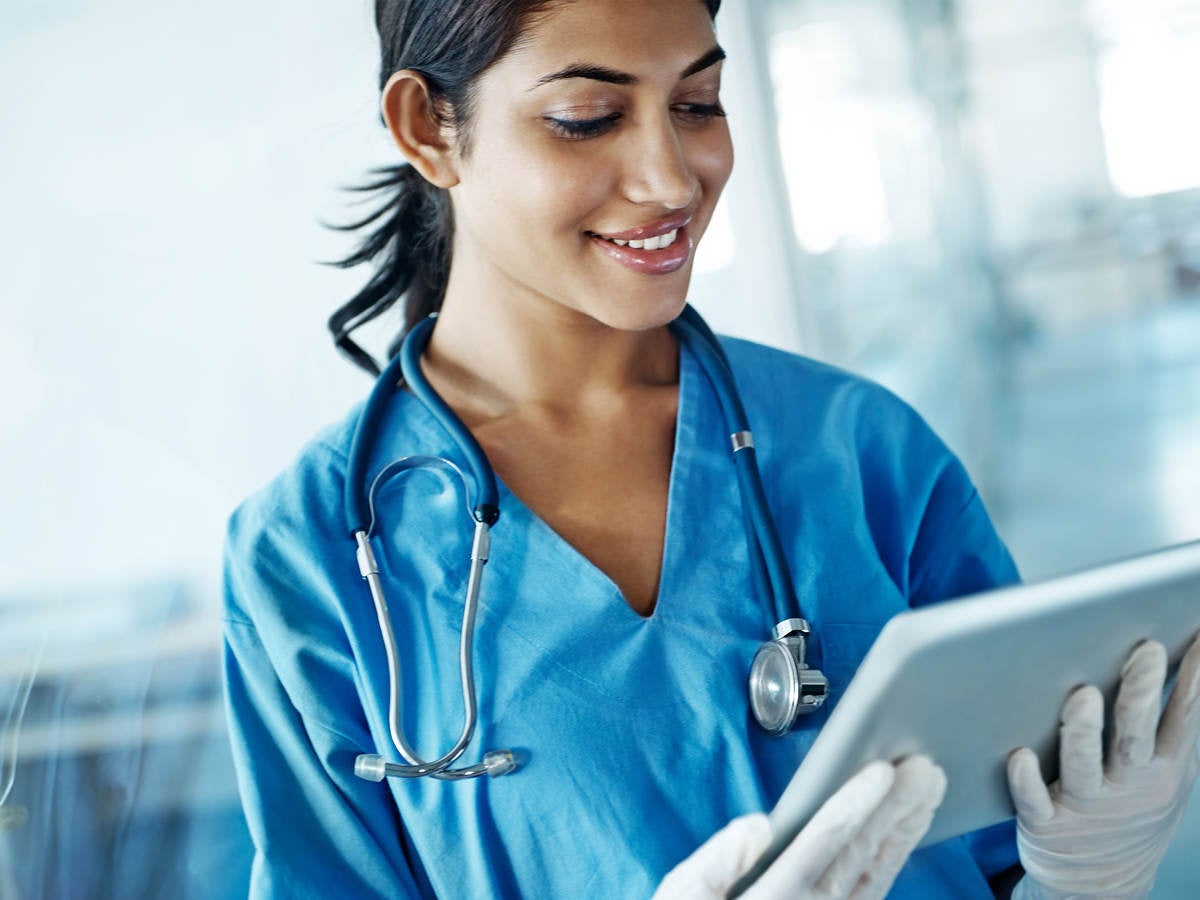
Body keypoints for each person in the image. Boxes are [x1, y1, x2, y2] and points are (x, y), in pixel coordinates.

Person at [221, 1, 1200, 897]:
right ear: (428, 127)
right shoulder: (308, 555)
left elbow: (1005, 846)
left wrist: (1088, 876)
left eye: (698, 102)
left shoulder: (858, 450)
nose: (670, 177)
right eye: (587, 118)